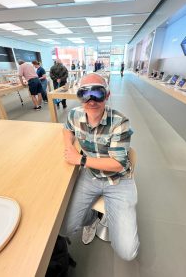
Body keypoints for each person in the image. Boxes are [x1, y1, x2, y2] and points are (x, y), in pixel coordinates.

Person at [60, 73, 139, 261]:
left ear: (108, 95)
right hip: (91, 176)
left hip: (118, 180)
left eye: (97, 93)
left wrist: (80, 160)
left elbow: (118, 164)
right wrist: (69, 146)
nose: (91, 100)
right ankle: (92, 219)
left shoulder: (120, 121)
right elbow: (67, 129)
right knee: (64, 228)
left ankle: (111, 213)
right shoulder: (74, 114)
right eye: (84, 94)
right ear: (79, 96)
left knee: (128, 252)